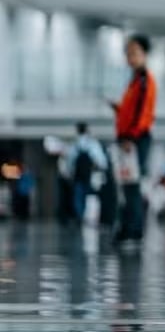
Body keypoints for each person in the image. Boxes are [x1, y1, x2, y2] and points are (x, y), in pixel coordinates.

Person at [112, 34, 156, 245]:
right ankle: (128, 228)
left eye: (135, 53)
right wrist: (118, 110)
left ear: (145, 55)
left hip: (135, 139)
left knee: (132, 185)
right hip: (129, 137)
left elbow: (142, 114)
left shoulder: (145, 81)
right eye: (128, 53)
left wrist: (130, 136)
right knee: (128, 183)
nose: (130, 57)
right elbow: (132, 112)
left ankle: (133, 229)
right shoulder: (135, 81)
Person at [66, 122, 108, 224]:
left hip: (78, 176)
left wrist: (70, 173)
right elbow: (102, 162)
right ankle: (88, 216)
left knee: (78, 197)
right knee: (91, 198)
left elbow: (70, 162)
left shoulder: (75, 144)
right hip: (91, 176)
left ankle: (80, 216)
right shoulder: (92, 144)